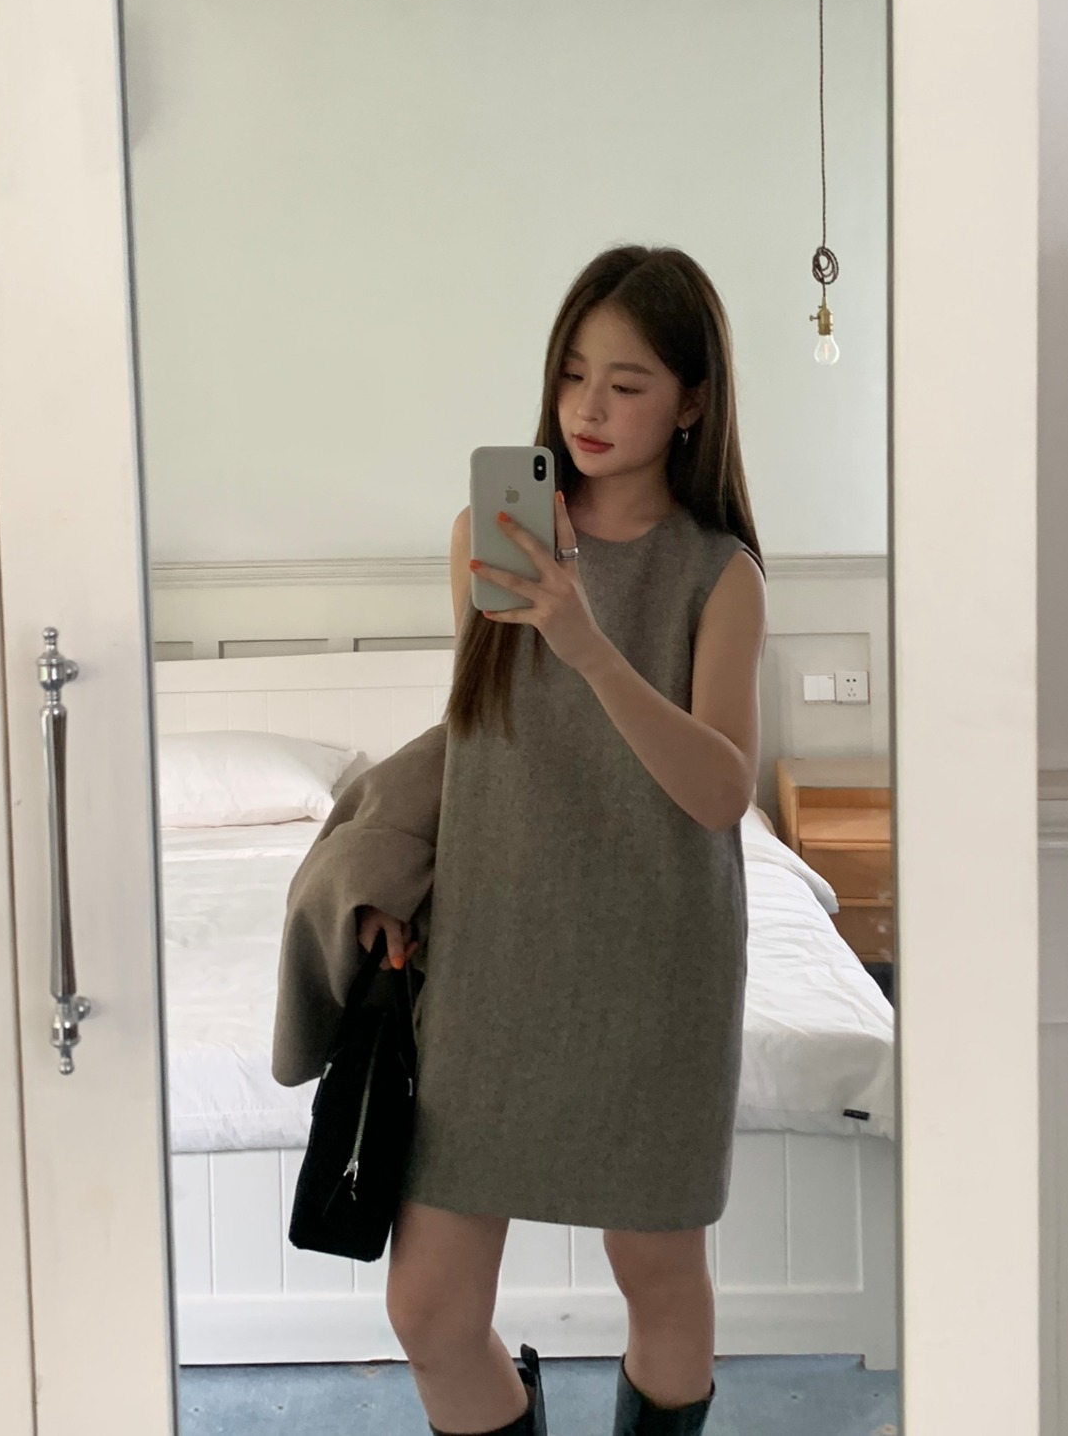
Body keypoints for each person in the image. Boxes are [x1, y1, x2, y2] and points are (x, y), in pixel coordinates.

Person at [357, 245, 767, 1436]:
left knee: (658, 1279)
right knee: (429, 1309)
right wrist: (391, 875)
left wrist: (587, 645)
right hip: (492, 959)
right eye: (572, 373)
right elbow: (474, 736)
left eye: (625, 383)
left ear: (690, 401)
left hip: (654, 964)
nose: (587, 406)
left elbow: (721, 791)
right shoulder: (484, 538)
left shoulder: (717, 575)